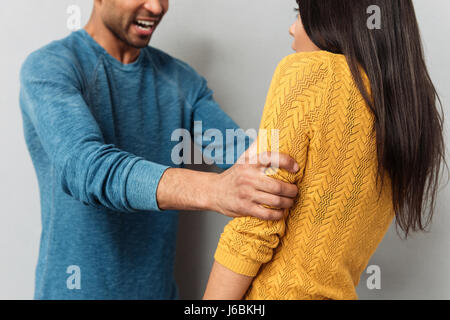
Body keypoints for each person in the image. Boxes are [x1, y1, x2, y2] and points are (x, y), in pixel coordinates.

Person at [18, 0, 300, 299]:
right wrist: (216, 190)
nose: (156, 7)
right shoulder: (50, 67)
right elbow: (86, 169)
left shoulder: (181, 80)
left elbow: (249, 159)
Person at [204, 0, 446, 300]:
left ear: (336, 15)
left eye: (299, 13)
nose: (292, 29)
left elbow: (256, 223)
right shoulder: (406, 109)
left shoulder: (311, 73)